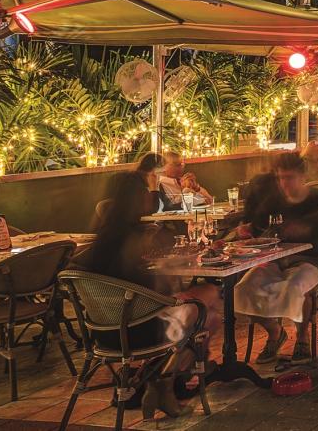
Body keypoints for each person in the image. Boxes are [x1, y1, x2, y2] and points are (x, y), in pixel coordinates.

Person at [72, 172, 217, 419]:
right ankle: (162, 381)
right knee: (210, 306)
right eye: (145, 193)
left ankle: (158, 379)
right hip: (140, 328)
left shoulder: (103, 238)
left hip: (103, 332)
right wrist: (171, 270)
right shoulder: (134, 239)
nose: (149, 198)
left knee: (202, 306)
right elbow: (154, 287)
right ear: (135, 198)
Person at [236, 152, 318, 365]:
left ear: (302, 176)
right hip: (275, 260)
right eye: (281, 178)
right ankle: (275, 332)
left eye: (289, 177)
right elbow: (258, 227)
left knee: (295, 287)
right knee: (242, 289)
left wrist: (307, 228)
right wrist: (247, 229)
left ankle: (302, 337)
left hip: (310, 260)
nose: (284, 183)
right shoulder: (273, 201)